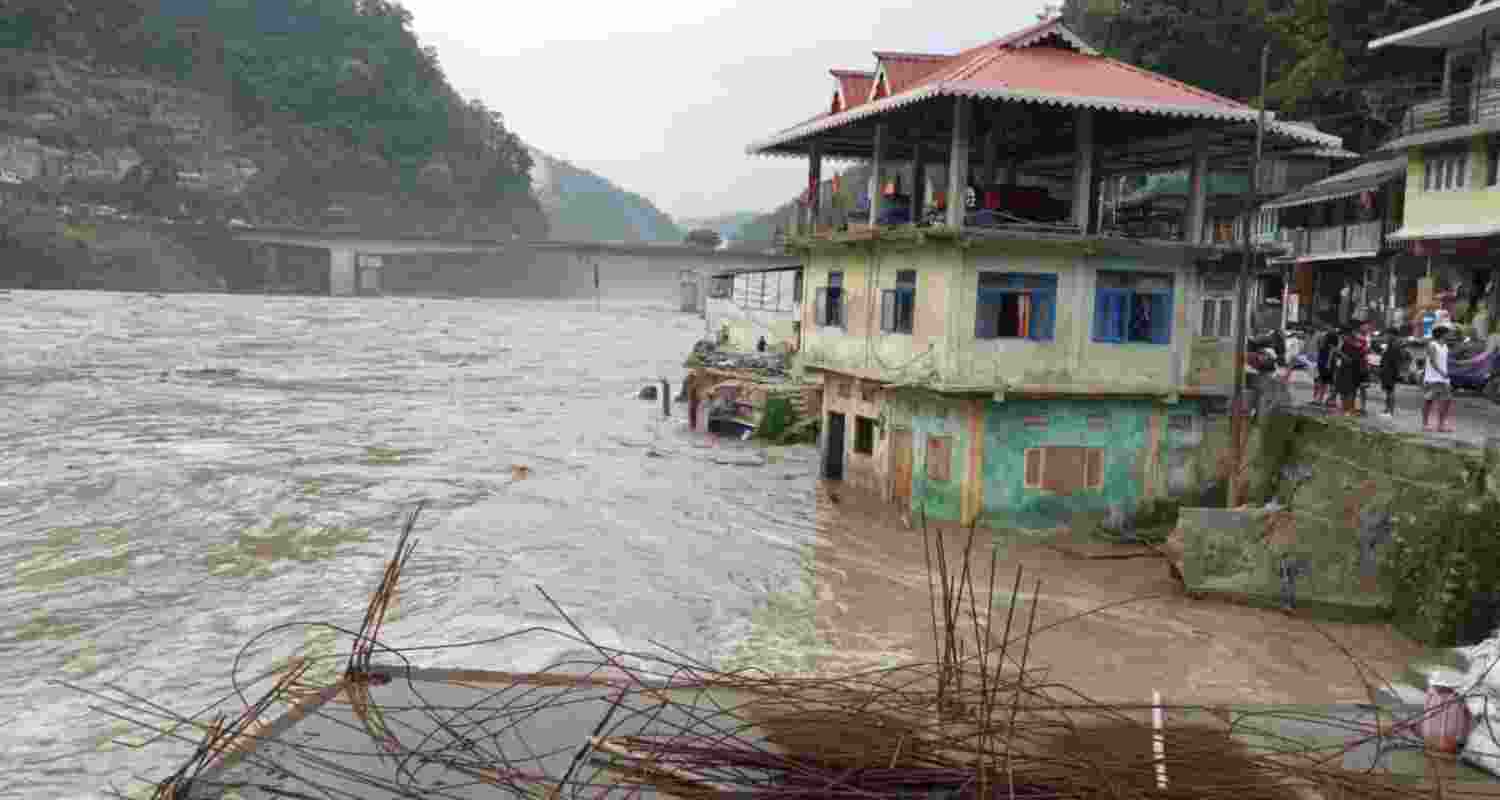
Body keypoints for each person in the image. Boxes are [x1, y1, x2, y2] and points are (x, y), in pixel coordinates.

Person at [1423, 325, 1455, 433]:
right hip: (1433, 378)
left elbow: (1444, 361)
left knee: (1446, 400)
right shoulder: (1432, 345)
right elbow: (1432, 361)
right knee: (1430, 401)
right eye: (1448, 333)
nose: (1450, 335)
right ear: (1442, 334)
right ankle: (1427, 424)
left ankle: (1440, 424)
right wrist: (1441, 372)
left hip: (1443, 379)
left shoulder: (1445, 346)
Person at [1334, 324, 1367, 416]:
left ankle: (1349, 410)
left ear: (1347, 334)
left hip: (1352, 370)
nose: (1341, 337)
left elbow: (1350, 359)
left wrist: (1338, 352)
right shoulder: (1348, 343)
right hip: (1345, 369)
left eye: (1342, 335)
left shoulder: (1354, 344)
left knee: (1349, 391)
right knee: (1343, 390)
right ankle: (1345, 409)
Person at [1378, 327, 1408, 418]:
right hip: (1388, 369)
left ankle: (1390, 411)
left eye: (1387, 334)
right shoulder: (1394, 343)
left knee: (1390, 391)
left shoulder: (1396, 344)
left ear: (1392, 334)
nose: (1386, 336)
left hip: (1390, 370)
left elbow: (1400, 358)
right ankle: (1387, 409)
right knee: (1388, 391)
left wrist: (1400, 370)